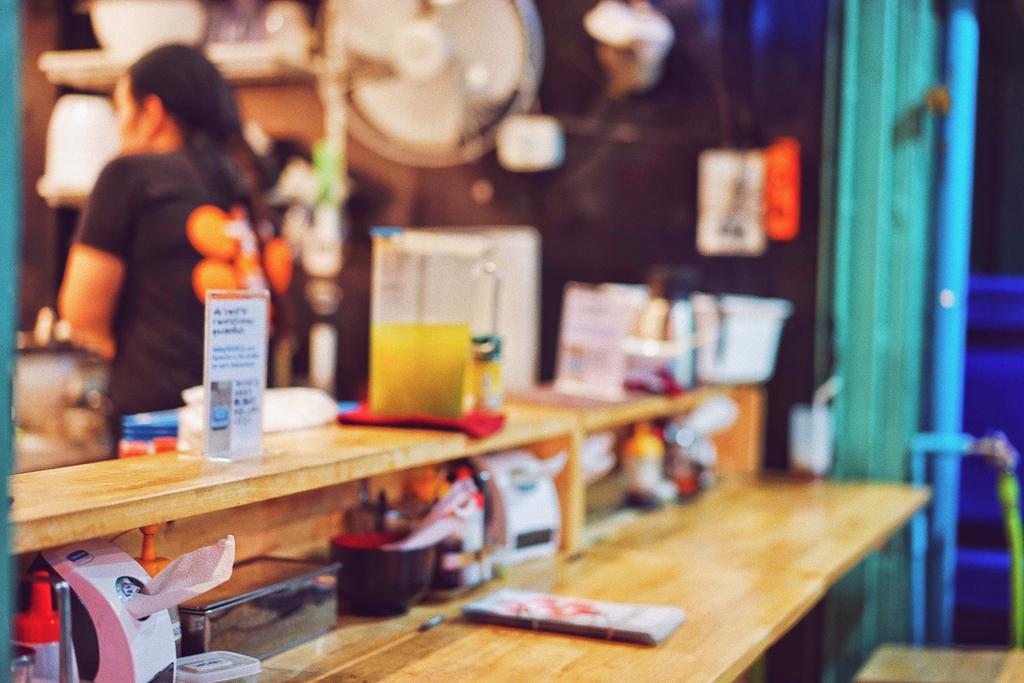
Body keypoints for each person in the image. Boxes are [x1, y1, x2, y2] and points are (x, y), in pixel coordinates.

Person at [58, 44, 290, 423]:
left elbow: (82, 313)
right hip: (240, 422)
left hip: (159, 426)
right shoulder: (245, 181)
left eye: (121, 110)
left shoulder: (129, 174)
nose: (119, 126)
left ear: (151, 113)